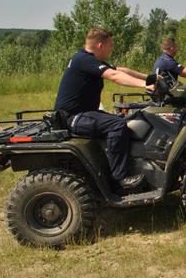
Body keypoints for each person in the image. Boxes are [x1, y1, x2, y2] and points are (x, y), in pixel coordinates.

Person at [54, 28, 154, 190]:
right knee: (118, 125)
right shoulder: (83, 60)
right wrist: (146, 86)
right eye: (110, 46)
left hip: (82, 113)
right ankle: (120, 178)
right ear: (101, 45)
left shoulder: (86, 59)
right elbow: (114, 76)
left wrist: (150, 78)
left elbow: (119, 70)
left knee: (124, 120)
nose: (111, 49)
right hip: (74, 117)